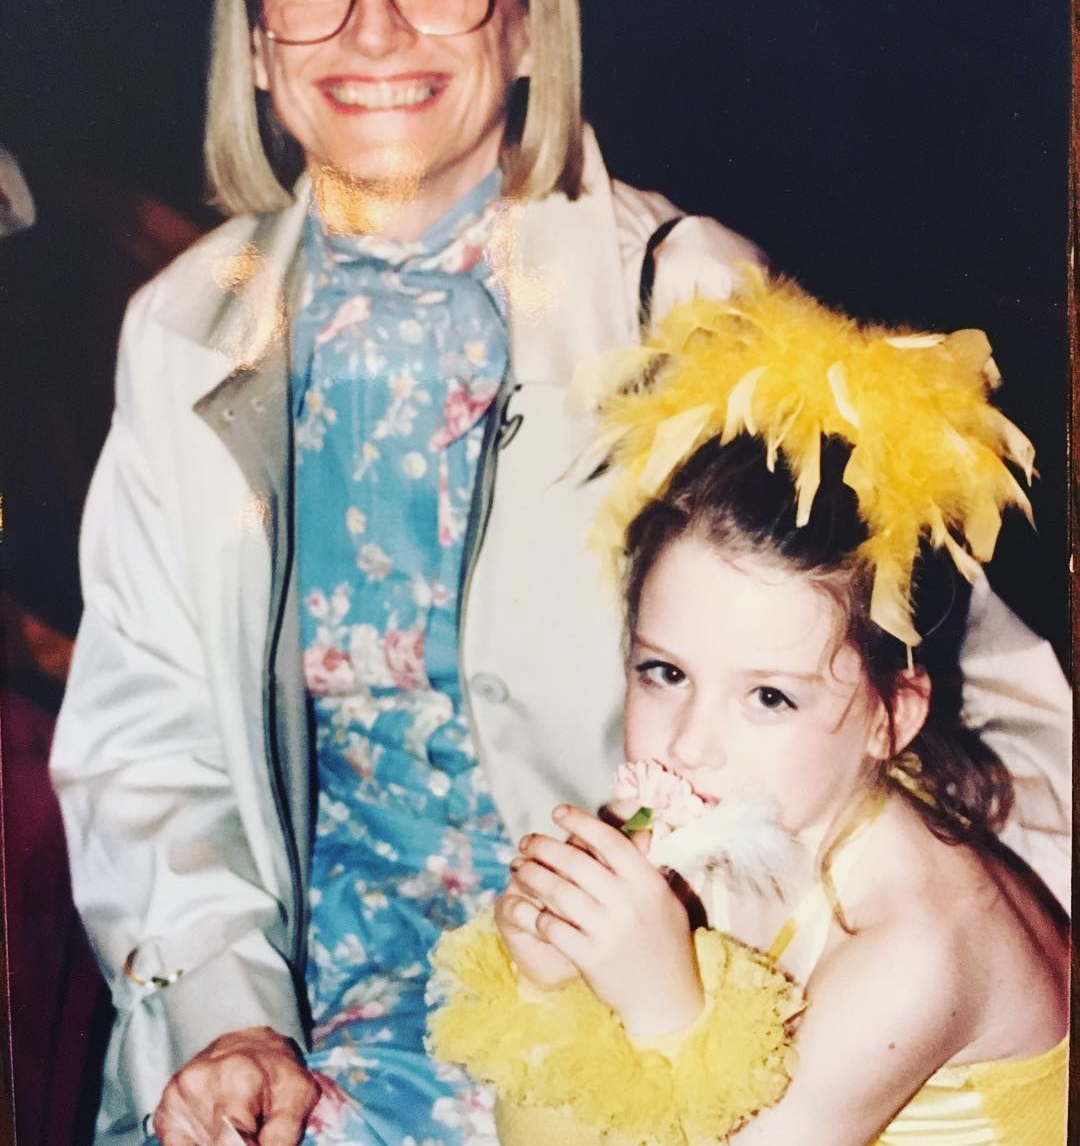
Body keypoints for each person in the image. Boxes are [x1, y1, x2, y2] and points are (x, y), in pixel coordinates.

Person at [49, 0, 1069, 1143]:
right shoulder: (181, 333)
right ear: (253, 38)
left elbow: (968, 692)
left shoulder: (687, 296)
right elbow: (149, 746)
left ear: (528, 18)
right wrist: (229, 1017)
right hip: (290, 1021)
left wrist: (954, 1019)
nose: (372, 25)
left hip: (622, 1021)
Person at [429, 272, 1069, 1144]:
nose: (691, 744)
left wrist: (663, 1005)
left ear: (894, 716)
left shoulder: (919, 946)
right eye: (664, 672)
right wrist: (550, 989)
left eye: (769, 696)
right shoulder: (707, 819)